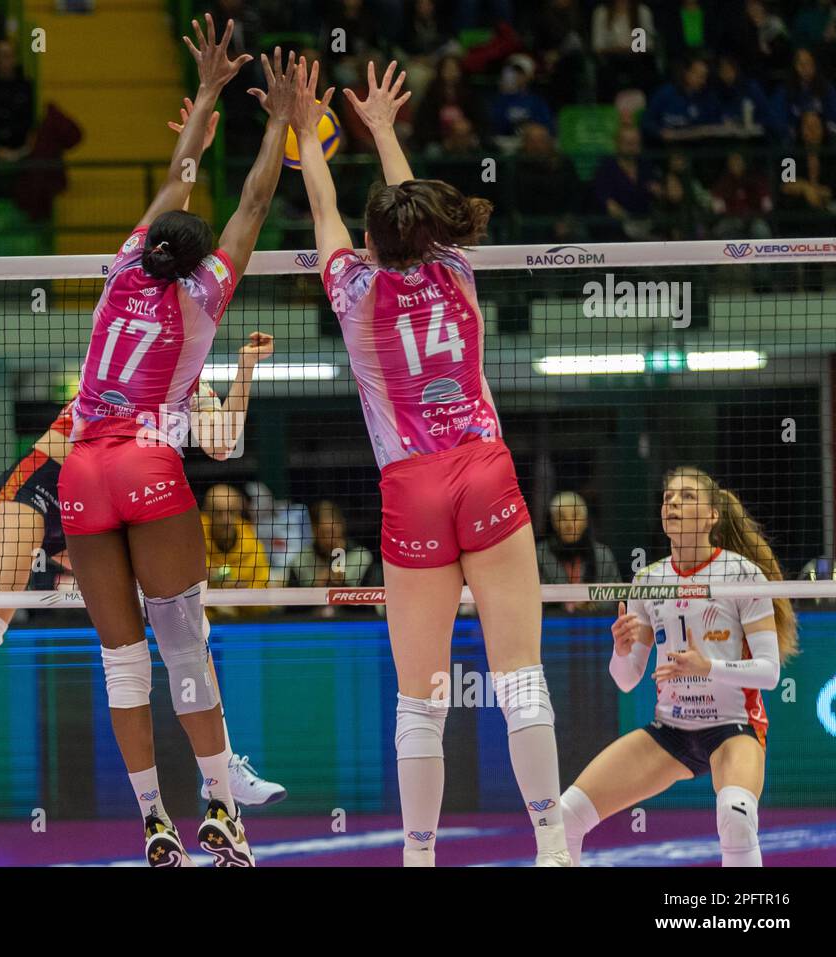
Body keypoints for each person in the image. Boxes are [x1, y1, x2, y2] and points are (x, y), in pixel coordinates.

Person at [0, 102, 287, 816]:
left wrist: (242, 370)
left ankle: (219, 767)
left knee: (178, 632)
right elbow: (240, 207)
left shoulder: (169, 351)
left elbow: (222, 442)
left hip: (105, 495)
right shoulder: (179, 319)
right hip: (42, 485)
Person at [293, 57, 571, 866]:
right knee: (520, 677)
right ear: (430, 237)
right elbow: (415, 217)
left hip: (409, 486)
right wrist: (383, 129)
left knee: (422, 698)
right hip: (482, 466)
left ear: (376, 243)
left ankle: (418, 856)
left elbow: (324, 211)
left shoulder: (354, 291)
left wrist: (307, 136)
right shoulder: (456, 270)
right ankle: (552, 846)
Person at [58, 20, 295, 866]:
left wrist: (206, 96)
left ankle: (153, 819)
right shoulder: (202, 299)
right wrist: (281, 121)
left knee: (124, 661)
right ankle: (223, 816)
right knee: (184, 641)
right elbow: (252, 205)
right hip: (148, 466)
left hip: (82, 467)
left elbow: (179, 180)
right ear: (199, 267)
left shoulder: (124, 264)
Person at [559, 467, 797, 867]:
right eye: (668, 497)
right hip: (670, 732)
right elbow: (627, 680)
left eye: (686, 497)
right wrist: (620, 650)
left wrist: (708, 667)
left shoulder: (740, 574)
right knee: (564, 815)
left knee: (736, 816)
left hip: (733, 726)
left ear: (711, 515)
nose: (672, 503)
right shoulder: (648, 580)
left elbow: (770, 673)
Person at [535, 491, 621, 612]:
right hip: (553, 625)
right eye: (562, 518)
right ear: (553, 522)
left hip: (597, 625)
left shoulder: (603, 555)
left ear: (585, 521)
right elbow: (532, 598)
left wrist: (591, 605)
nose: (569, 524)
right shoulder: (539, 555)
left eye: (575, 516)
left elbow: (617, 597)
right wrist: (564, 605)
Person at [202, 484, 274, 618]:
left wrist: (242, 593)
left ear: (240, 511)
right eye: (218, 513)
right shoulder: (192, 543)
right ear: (206, 513)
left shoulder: (254, 547)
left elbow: (264, 605)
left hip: (242, 625)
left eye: (231, 512)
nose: (226, 520)